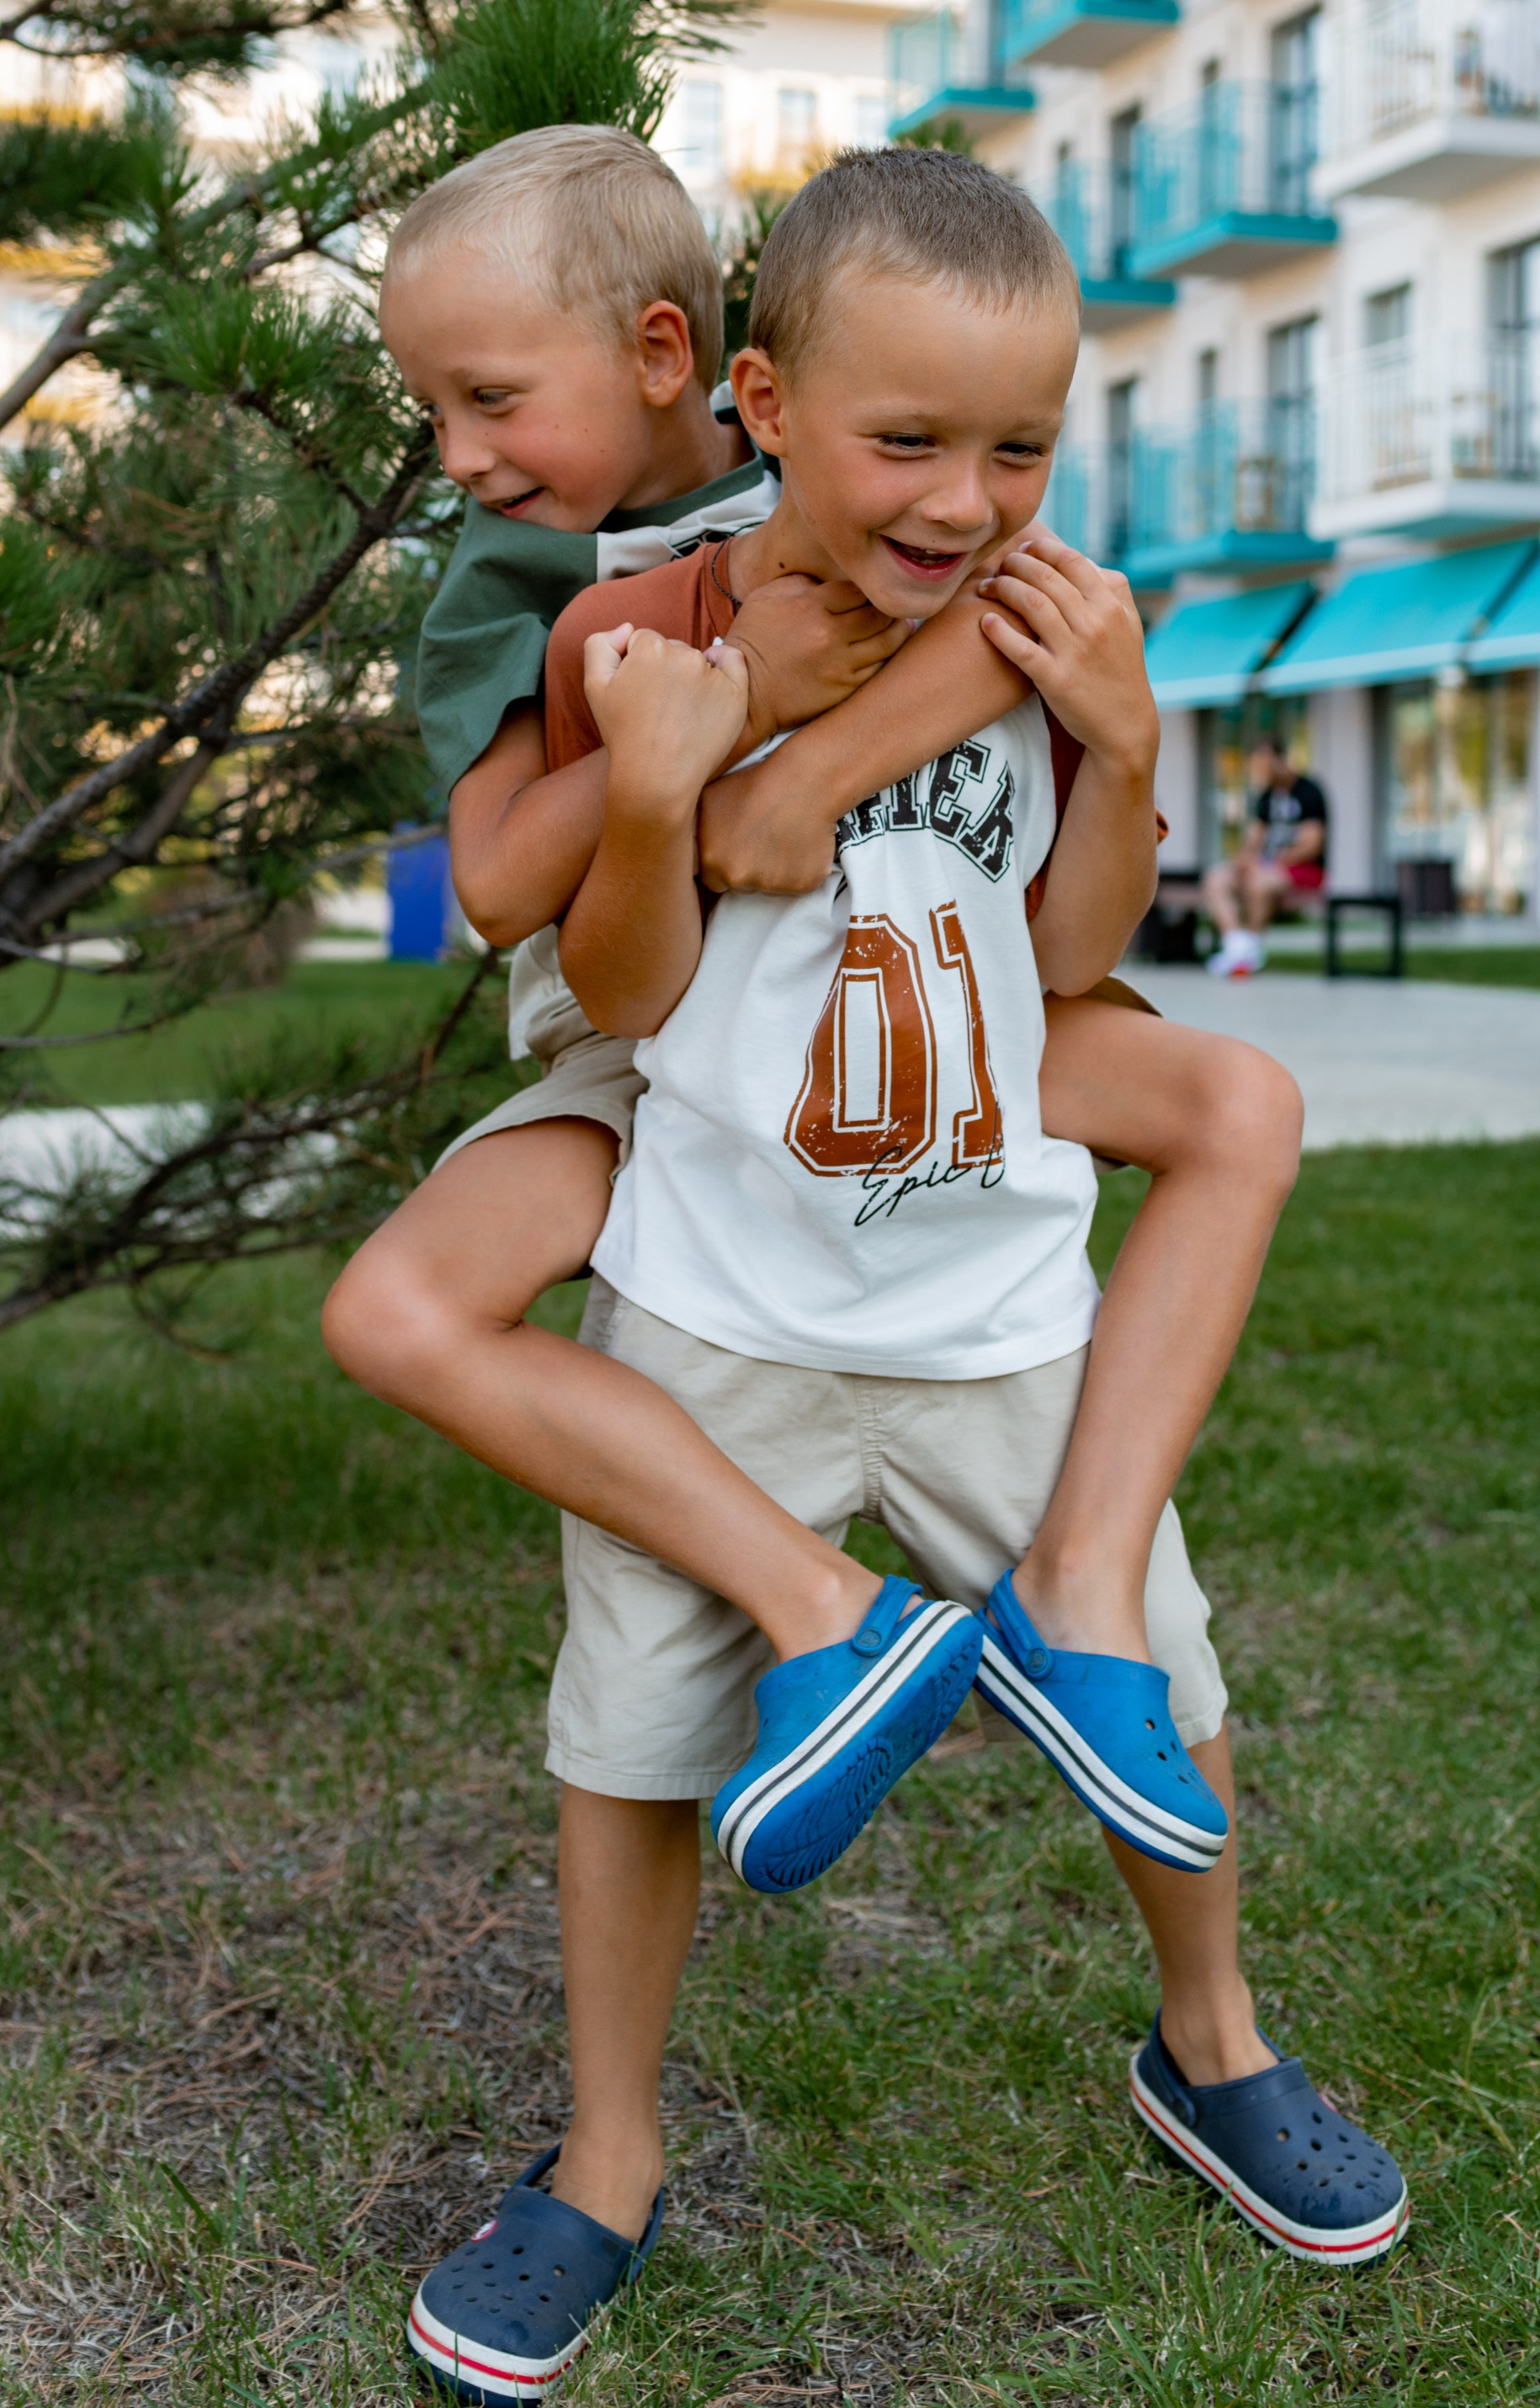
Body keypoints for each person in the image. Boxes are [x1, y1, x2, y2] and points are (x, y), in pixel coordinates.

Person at [389, 146, 1406, 2407]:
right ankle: (609, 2159)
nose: (968, 496)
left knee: (1163, 1668)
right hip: (718, 1289)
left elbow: (1064, 962)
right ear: (753, 399)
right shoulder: (625, 628)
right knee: (635, 1737)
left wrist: (1127, 748)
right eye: (911, 442)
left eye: (1022, 446)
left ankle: (1214, 2045)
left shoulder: (1049, 630)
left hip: (985, 1296)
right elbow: (627, 992)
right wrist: (661, 787)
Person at [327, 126, 1302, 1844]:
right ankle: (820, 1612)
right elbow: (495, 888)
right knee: (398, 1306)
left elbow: (999, 618)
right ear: (771, 399)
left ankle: (1078, 1598)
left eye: (488, 399)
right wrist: (715, 713)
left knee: (1232, 1098)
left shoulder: (885, 456)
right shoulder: (534, 588)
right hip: (638, 1034)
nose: (455, 457)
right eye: (428, 412)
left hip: (901, 1001)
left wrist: (795, 762)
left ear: (668, 359)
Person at [1203, 738, 1330, 979]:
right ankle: (1236, 946)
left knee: (1259, 883)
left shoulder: (1309, 791)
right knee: (1216, 878)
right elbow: (1254, 839)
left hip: (1303, 869)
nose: (1262, 771)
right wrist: (1243, 860)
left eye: (1266, 764)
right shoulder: (1265, 796)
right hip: (1265, 867)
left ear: (1281, 760)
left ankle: (1248, 946)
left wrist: (1270, 862)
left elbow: (1312, 844)